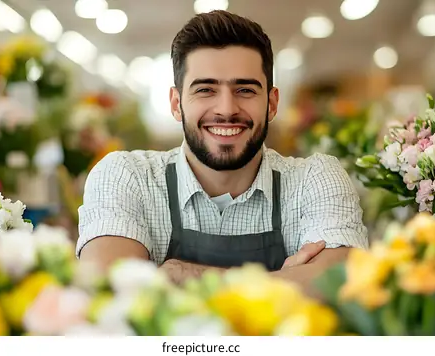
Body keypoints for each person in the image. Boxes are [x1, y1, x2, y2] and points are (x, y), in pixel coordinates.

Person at [77, 10, 368, 295]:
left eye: (245, 90)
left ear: (272, 103)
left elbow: (343, 284)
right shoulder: (127, 176)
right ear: (177, 104)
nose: (227, 109)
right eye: (205, 90)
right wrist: (287, 281)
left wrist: (185, 275)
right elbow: (108, 288)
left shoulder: (315, 179)